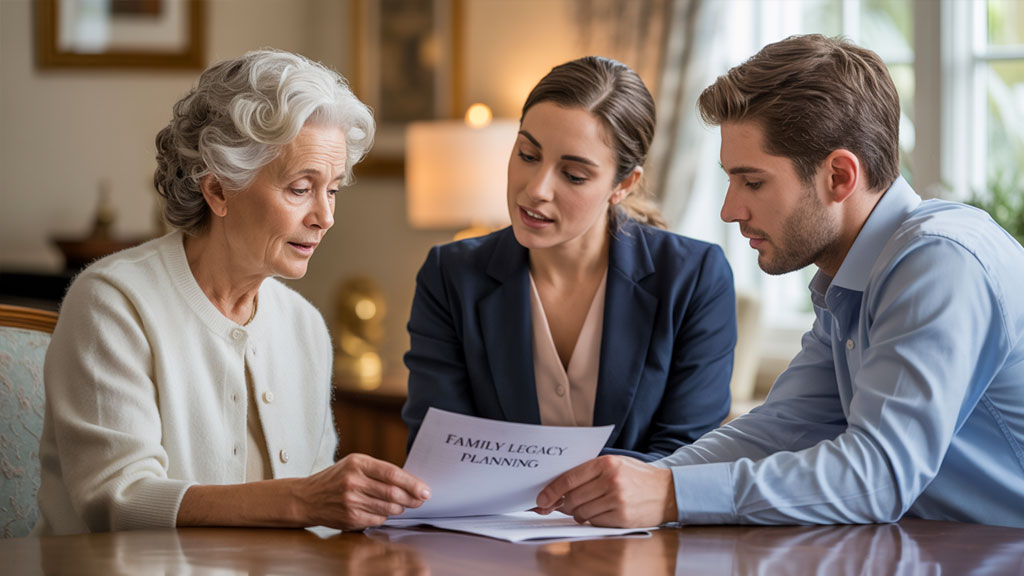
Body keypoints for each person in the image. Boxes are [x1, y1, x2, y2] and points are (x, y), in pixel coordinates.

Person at [536, 34, 1024, 528]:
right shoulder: (852, 281)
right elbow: (780, 428)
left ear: (839, 176)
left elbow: (876, 476)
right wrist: (634, 485)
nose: (730, 210)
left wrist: (667, 494)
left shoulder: (940, 261)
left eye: (753, 182)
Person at [35, 49, 430, 535]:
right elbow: (118, 500)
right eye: (300, 188)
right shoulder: (114, 303)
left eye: (332, 190)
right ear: (218, 190)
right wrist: (303, 500)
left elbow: (318, 521)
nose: (324, 218)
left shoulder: (303, 325)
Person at [402, 56, 737, 462]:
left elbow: (686, 460)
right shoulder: (450, 275)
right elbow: (439, 453)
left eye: (574, 175)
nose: (537, 189)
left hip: (643, 528)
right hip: (484, 526)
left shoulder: (695, 277)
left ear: (623, 185)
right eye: (527, 154)